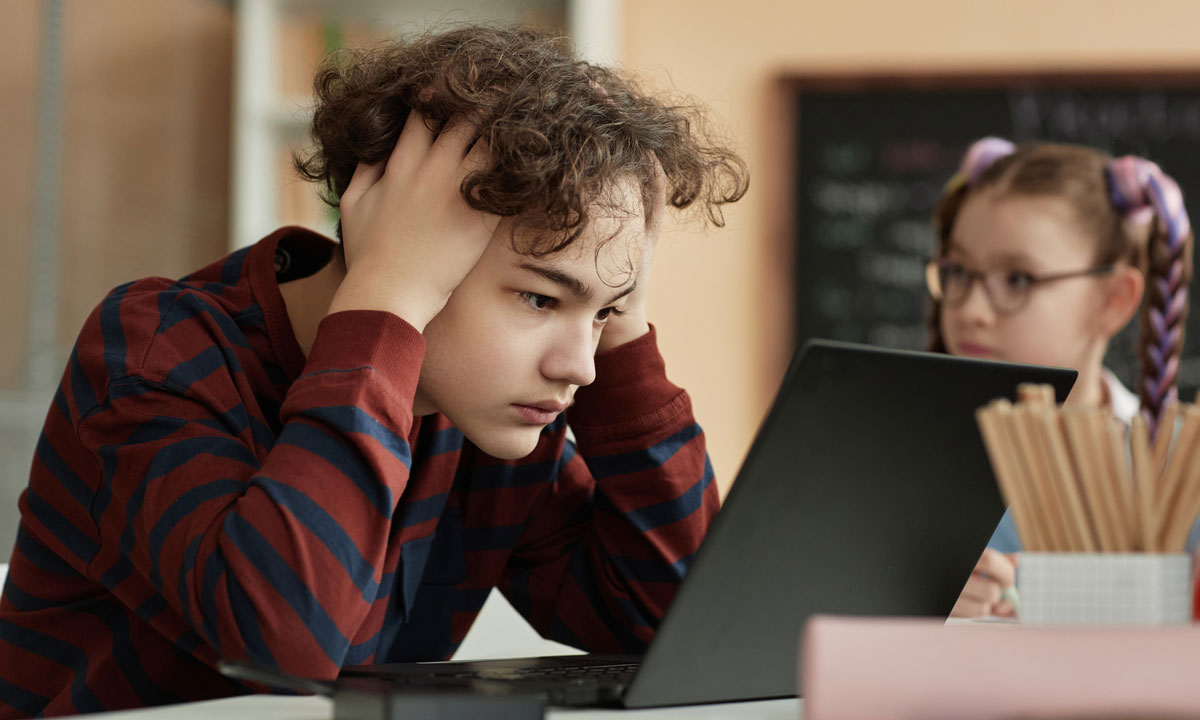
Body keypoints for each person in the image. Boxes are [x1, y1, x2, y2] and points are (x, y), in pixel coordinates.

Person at [0, 25, 749, 717]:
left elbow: (678, 627)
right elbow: (288, 647)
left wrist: (625, 324)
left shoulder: (483, 414)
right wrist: (386, 298)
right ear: (397, 242)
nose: (578, 366)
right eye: (538, 296)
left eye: (600, 315)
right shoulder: (156, 355)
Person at [925, 137, 1192, 618]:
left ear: (1114, 300)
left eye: (1018, 279)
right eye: (959, 272)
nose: (971, 310)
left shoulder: (1181, 471)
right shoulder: (897, 460)